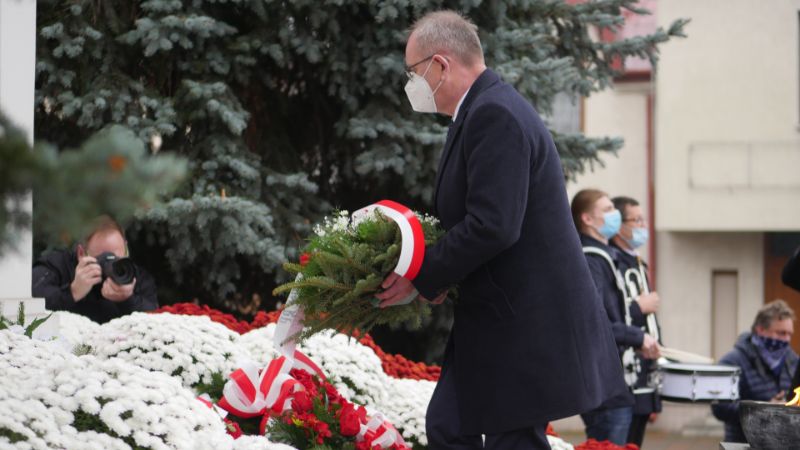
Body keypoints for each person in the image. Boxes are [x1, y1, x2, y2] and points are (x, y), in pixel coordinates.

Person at [375, 11, 629, 449]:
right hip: (502, 316)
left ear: (440, 64)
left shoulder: (494, 113)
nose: (410, 83)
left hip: (524, 320)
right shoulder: (482, 109)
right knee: (451, 427)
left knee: (508, 440)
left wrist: (425, 273)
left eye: (413, 72)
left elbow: (493, 225)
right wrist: (420, 265)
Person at [571, 189, 660, 446]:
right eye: (608, 210)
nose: (615, 217)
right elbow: (594, 322)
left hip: (613, 381)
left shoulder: (604, 256)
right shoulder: (591, 260)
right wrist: (637, 336)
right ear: (587, 219)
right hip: (604, 384)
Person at [32, 215, 158, 323]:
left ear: (126, 250)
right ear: (81, 253)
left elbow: (155, 319)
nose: (110, 264)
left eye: (116, 258)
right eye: (103, 258)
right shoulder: (58, 265)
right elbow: (30, 301)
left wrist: (128, 300)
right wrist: (72, 292)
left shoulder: (133, 275)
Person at [610, 196, 662, 448]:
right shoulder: (613, 261)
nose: (643, 226)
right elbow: (610, 315)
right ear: (619, 225)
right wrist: (639, 307)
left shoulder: (638, 262)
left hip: (644, 374)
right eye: (637, 220)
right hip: (625, 374)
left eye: (644, 220)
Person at [711, 300, 798, 443]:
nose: (786, 340)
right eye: (781, 333)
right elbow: (720, 407)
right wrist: (763, 409)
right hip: (743, 444)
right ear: (760, 329)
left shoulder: (793, 361)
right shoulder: (732, 361)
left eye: (789, 334)